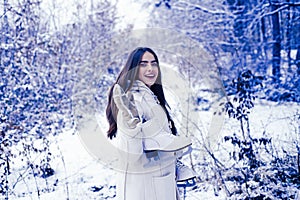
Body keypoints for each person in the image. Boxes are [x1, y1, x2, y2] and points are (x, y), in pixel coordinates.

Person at [106, 47, 195, 200]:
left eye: (154, 64)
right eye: (143, 64)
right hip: (145, 188)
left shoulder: (151, 97)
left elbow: (161, 138)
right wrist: (130, 127)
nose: (150, 69)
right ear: (133, 68)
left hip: (161, 181)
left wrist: (175, 159)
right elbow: (132, 156)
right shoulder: (132, 101)